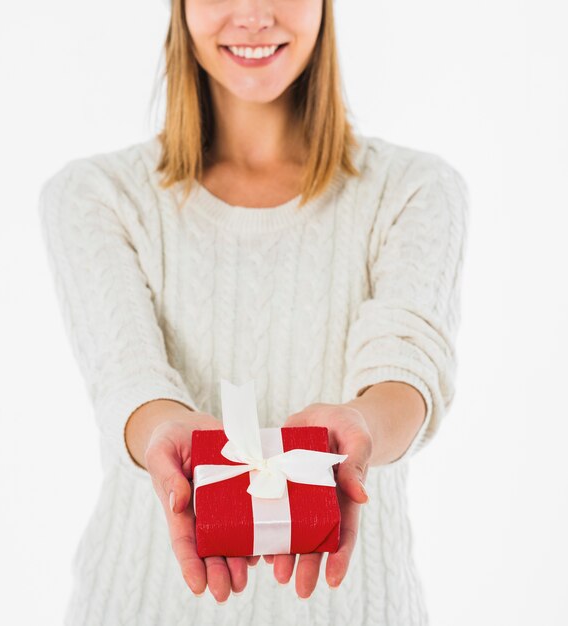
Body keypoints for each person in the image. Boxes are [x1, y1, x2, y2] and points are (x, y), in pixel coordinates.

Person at [38, 0, 469, 624]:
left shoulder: (416, 190)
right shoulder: (93, 197)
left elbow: (408, 365)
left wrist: (362, 426)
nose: (253, 14)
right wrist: (165, 432)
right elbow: (126, 378)